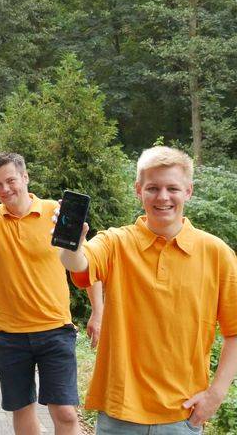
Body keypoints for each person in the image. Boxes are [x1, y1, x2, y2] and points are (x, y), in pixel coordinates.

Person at [59, 146, 237, 434]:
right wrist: (70, 243)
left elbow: (234, 332)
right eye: (153, 188)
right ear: (138, 190)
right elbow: (79, 262)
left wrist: (215, 395)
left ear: (188, 192)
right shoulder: (116, 242)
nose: (163, 197)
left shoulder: (217, 254)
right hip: (120, 413)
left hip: (183, 415)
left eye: (172, 188)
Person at [0, 152, 103, 435]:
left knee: (65, 414)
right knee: (22, 410)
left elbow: (89, 263)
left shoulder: (54, 212)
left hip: (55, 330)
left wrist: (98, 312)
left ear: (25, 178)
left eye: (11, 180)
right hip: (9, 334)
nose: (4, 189)